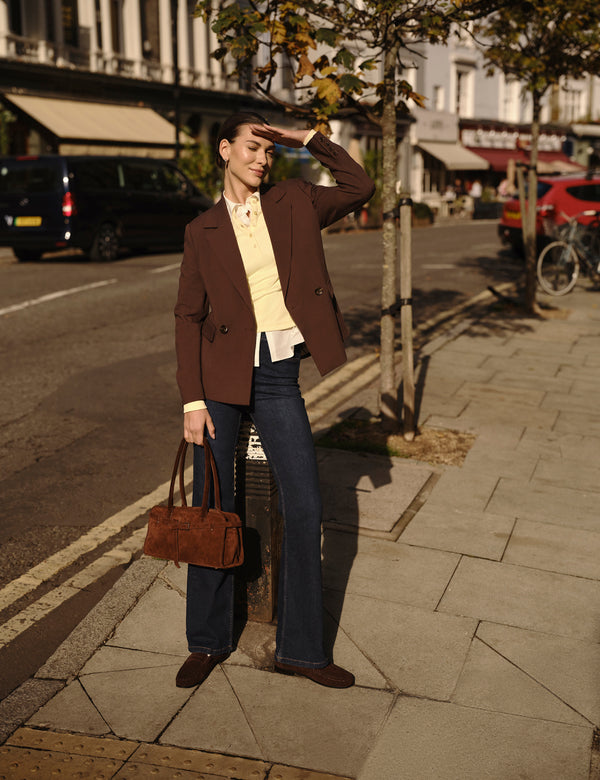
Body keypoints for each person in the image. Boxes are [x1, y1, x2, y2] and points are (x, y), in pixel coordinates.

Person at [173, 112, 375, 690]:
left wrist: (305, 139)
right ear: (225, 150)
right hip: (219, 381)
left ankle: (303, 650)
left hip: (280, 374)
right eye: (253, 148)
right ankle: (208, 642)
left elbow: (360, 188)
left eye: (268, 150)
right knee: (216, 505)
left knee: (305, 504)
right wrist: (193, 400)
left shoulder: (295, 201)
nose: (262, 159)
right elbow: (188, 316)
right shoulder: (203, 229)